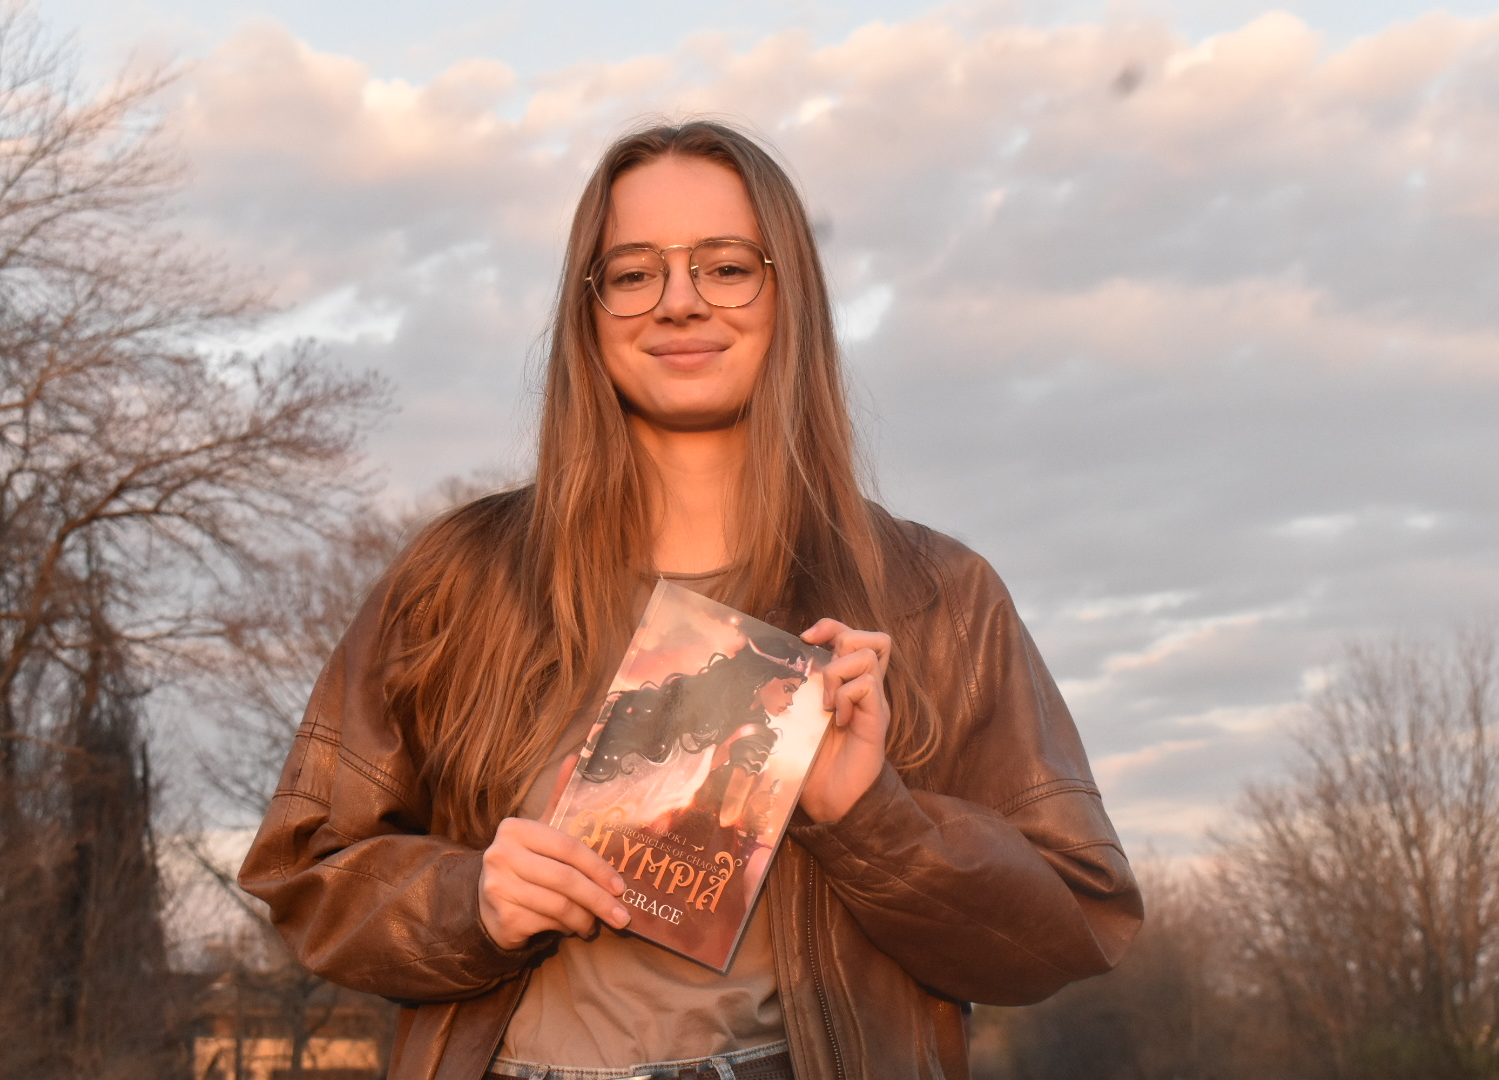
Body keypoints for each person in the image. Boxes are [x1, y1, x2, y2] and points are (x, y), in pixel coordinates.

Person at [240, 120, 1143, 1080]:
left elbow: (1074, 922)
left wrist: (874, 820)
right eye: (633, 273)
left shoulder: (938, 599)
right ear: (588, 310)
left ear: (788, 291)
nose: (678, 302)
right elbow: (305, 871)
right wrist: (473, 902)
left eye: (725, 267)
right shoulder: (459, 579)